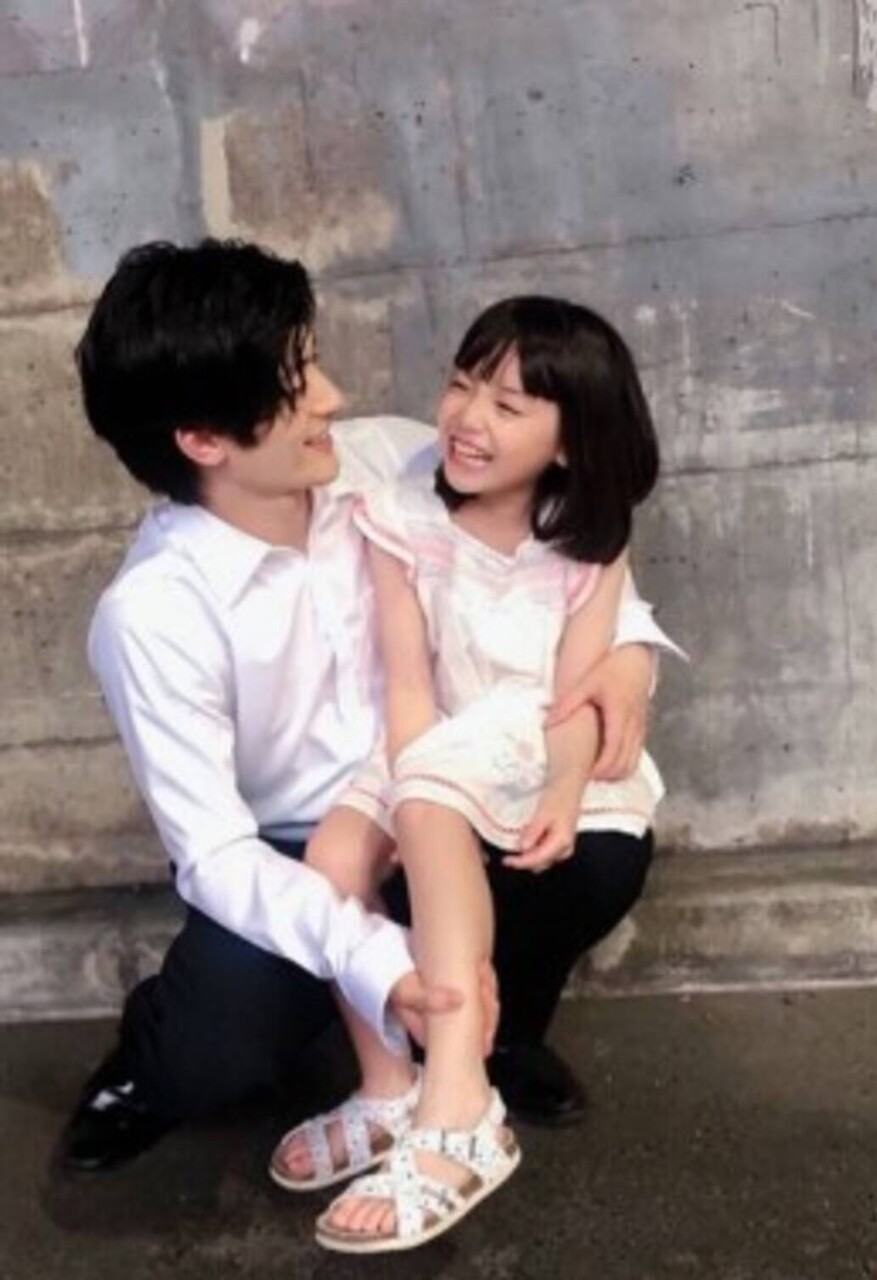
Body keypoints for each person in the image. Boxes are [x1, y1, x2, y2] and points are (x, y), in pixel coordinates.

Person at [61, 238, 674, 1177]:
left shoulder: (387, 458)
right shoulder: (152, 615)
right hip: (296, 847)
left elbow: (549, 547)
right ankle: (154, 1067)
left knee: (596, 852)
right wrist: (376, 957)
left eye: (310, 362)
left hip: (439, 785)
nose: (332, 397)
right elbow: (215, 857)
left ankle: (496, 1036)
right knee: (227, 1037)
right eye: (295, 382)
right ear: (204, 441)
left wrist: (626, 661)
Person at [274, 296, 671, 1253]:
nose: (467, 417)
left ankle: (459, 1106)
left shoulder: (590, 537)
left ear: (569, 442)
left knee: (472, 819)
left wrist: (565, 789)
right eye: (461, 385)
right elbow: (408, 685)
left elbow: (577, 694)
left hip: (536, 739)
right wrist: (414, 800)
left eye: (507, 405)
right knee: (334, 857)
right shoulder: (399, 516)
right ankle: (389, 1088)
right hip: (433, 732)